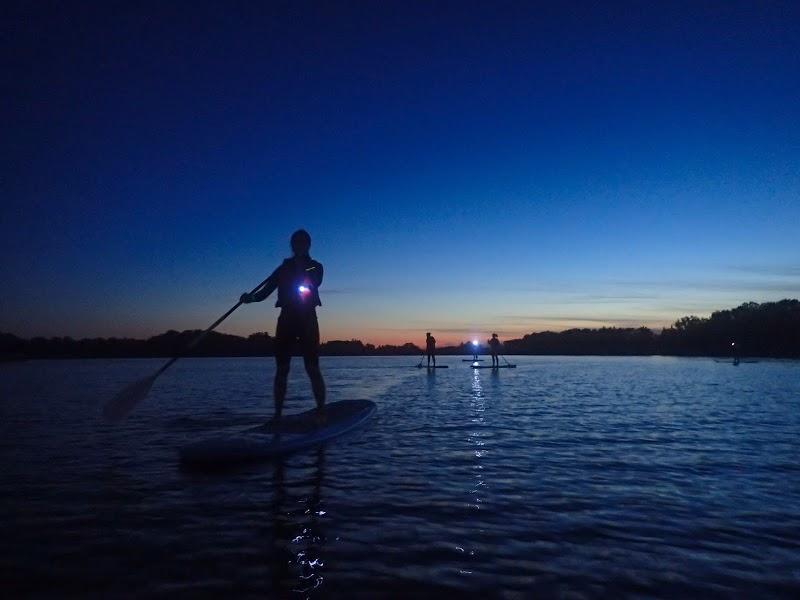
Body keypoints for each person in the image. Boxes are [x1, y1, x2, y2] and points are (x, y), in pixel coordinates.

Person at [240, 229, 325, 423]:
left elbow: (316, 281)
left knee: (312, 367)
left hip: (308, 319)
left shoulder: (315, 266)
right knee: (282, 368)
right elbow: (265, 292)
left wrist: (298, 267)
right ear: (292, 245)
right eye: (296, 243)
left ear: (308, 245)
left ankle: (321, 411)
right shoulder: (282, 269)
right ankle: (277, 415)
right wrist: (250, 298)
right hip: (287, 318)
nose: (298, 246)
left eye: (302, 243)